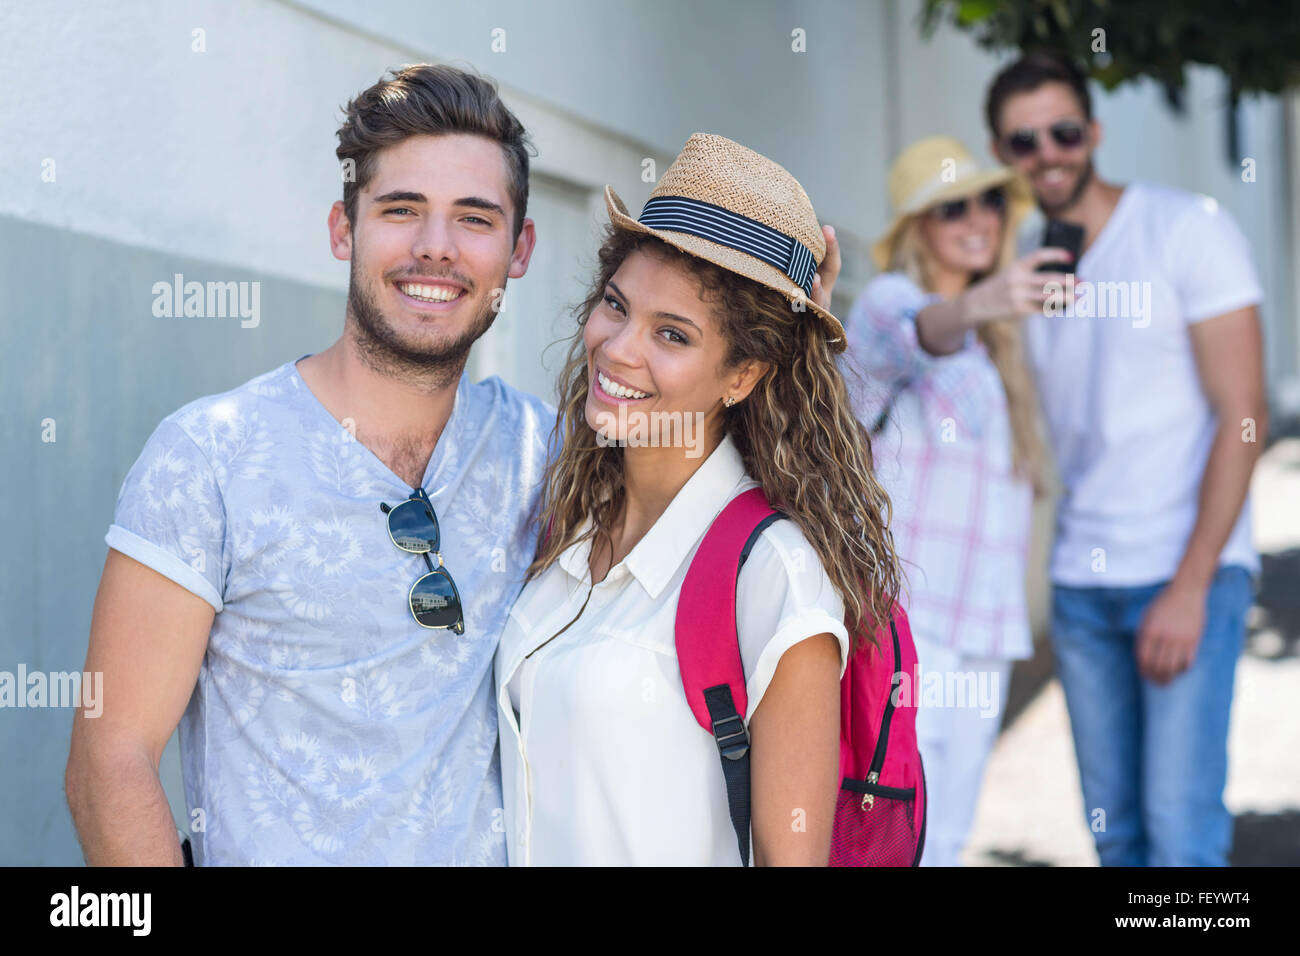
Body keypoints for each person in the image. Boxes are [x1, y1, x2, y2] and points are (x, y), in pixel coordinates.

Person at [65, 64, 553, 865]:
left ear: (519, 247)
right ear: (343, 229)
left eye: (474, 218)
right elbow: (106, 763)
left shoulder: (546, 452)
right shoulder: (208, 457)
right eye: (401, 210)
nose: (436, 248)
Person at [493, 133, 900, 866]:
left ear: (742, 375)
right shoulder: (567, 523)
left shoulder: (775, 575)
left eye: (671, 334)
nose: (618, 348)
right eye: (616, 306)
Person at [985, 51, 1268, 866]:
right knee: (1119, 839)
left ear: (1094, 132)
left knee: (1181, 837)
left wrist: (1192, 584)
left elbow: (1243, 416)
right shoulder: (1025, 270)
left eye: (1063, 131)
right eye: (1024, 140)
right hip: (1082, 584)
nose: (1048, 153)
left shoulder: (1187, 228)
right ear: (1006, 154)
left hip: (1183, 573)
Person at [841, 136, 1059, 866]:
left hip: (984, 630)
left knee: (950, 833)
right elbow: (921, 335)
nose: (979, 218)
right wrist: (986, 299)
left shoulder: (1001, 345)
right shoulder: (892, 303)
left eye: (991, 199)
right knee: (901, 830)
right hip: (911, 625)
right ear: (916, 230)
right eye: (952, 206)